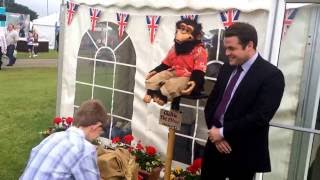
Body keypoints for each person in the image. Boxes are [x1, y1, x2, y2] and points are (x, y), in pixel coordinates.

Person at [201, 22, 285, 179]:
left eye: (232, 48)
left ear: (249, 45)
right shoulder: (227, 68)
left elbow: (260, 116)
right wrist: (215, 134)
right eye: (226, 48)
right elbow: (212, 103)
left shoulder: (271, 76)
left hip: (243, 152)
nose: (226, 53)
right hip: (214, 145)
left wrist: (223, 132)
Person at [20, 99, 109, 180]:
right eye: (102, 130)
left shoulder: (54, 137)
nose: (99, 135)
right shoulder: (84, 148)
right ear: (96, 126)